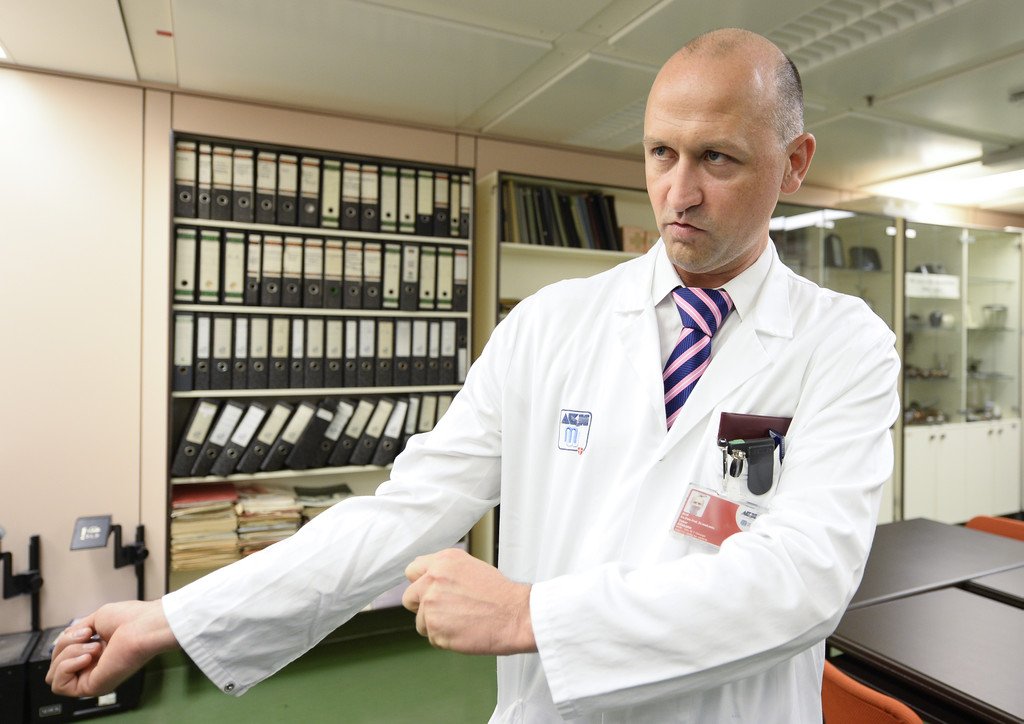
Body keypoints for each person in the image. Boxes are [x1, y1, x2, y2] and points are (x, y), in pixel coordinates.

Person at [48, 27, 899, 722]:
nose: (678, 194)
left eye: (717, 158)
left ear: (794, 162)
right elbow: (403, 513)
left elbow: (803, 581)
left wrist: (531, 614)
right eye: (659, 153)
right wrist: (169, 618)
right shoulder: (548, 326)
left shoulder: (843, 345)